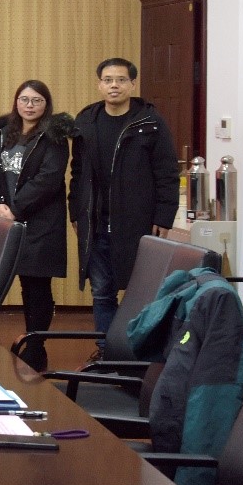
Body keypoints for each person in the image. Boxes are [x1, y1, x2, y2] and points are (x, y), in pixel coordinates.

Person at [69, 57, 178, 357]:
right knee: (102, 292)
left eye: (120, 80)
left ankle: (136, 353)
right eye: (107, 80)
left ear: (132, 84)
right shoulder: (86, 121)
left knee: (139, 291)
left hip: (137, 223)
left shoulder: (149, 123)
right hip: (95, 223)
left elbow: (167, 173)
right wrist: (75, 211)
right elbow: (77, 173)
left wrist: (164, 217)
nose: (114, 85)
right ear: (99, 84)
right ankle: (107, 352)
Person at [0, 80, 72, 371]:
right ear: (16, 102)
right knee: (19, 284)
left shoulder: (54, 136)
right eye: (24, 99)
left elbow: (49, 179)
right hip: (9, 220)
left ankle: (36, 348)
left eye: (37, 100)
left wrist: (15, 208)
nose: (29, 105)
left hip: (41, 222)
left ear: (46, 105)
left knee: (37, 286)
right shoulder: (5, 132)